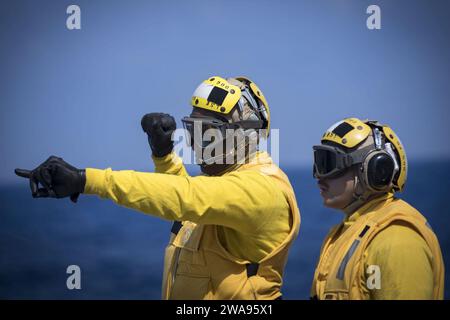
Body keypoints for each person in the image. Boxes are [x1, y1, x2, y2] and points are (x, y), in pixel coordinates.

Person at [15, 76, 300, 300]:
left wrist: (85, 180)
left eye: (207, 133)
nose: (194, 144)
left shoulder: (262, 190)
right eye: (192, 130)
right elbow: (187, 199)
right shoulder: (222, 183)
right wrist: (164, 156)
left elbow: (185, 198)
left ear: (243, 136)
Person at [310, 118, 444, 300]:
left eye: (328, 163)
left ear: (374, 169)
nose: (319, 175)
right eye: (318, 162)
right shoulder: (344, 233)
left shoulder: (397, 238)